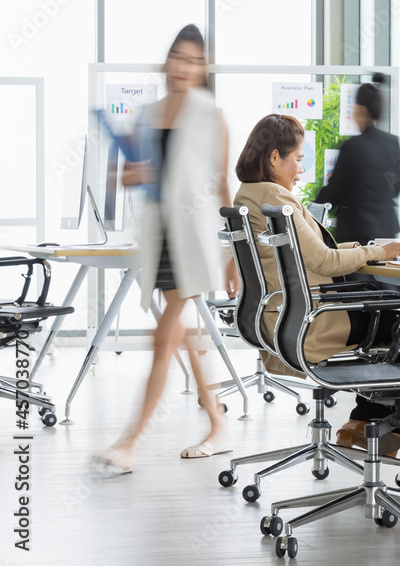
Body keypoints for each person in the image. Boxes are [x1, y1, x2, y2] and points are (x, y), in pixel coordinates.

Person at [233, 114, 400, 468]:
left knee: (394, 319)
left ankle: (359, 423)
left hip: (280, 318)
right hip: (313, 321)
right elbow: (323, 262)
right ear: (275, 158)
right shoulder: (275, 195)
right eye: (298, 158)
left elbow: (310, 254)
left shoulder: (249, 194)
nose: (300, 169)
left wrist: (366, 246)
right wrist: (380, 252)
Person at [97, 25, 240, 474]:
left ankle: (130, 441)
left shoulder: (210, 117)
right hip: (158, 239)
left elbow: (221, 186)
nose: (184, 67)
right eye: (178, 57)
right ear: (166, 62)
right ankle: (218, 424)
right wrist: (131, 176)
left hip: (192, 241)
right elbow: (125, 177)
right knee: (182, 338)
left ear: (203, 69)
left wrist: (235, 251)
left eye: (194, 61)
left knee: (164, 338)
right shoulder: (146, 114)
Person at [314, 73, 400, 246]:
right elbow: (396, 189)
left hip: (357, 232)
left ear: (361, 109)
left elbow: (335, 190)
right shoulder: (393, 143)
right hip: (387, 230)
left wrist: (312, 208)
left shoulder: (352, 146)